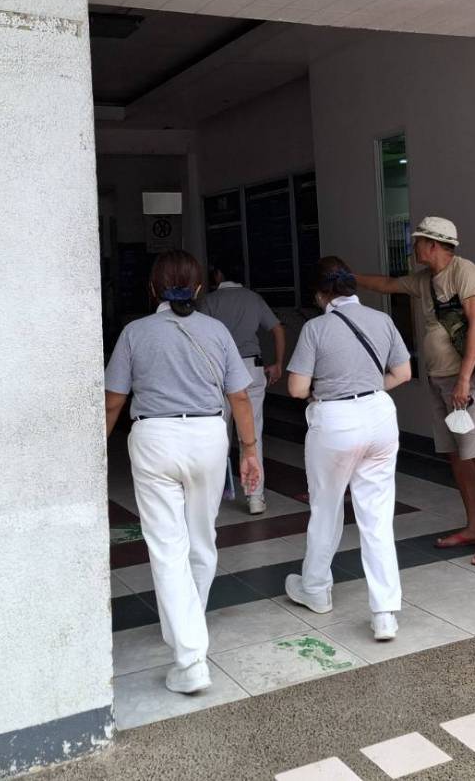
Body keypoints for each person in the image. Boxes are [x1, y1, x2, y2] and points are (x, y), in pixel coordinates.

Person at [103, 250, 261, 695]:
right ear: (198, 289)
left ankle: (189, 655)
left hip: (154, 439)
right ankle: (186, 627)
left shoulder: (135, 332)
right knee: (202, 539)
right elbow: (241, 399)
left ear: (152, 289)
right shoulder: (217, 331)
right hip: (209, 436)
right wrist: (249, 451)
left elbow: (114, 400)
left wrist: (96, 454)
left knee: (167, 547)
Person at [356, 216, 475, 567]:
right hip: (438, 380)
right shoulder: (425, 280)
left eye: (418, 242)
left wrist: (463, 380)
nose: (413, 248)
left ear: (434, 244)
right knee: (455, 454)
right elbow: (385, 285)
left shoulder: (465, 272)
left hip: (464, 381)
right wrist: (349, 279)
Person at [284, 257, 412, 641]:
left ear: (320, 293)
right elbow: (403, 374)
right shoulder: (382, 321)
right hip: (379, 415)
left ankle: (317, 590)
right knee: (377, 516)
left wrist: (334, 392)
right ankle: (385, 613)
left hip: (334, 421)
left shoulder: (314, 328)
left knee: (326, 507)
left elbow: (295, 389)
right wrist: (367, 389)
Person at [200, 265, 286, 514]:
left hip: (220, 370)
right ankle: (255, 497)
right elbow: (277, 328)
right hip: (251, 369)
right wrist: (279, 363)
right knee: (252, 432)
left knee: (219, 432)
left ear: (217, 275)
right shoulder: (253, 298)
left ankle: (214, 496)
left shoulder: (209, 301)